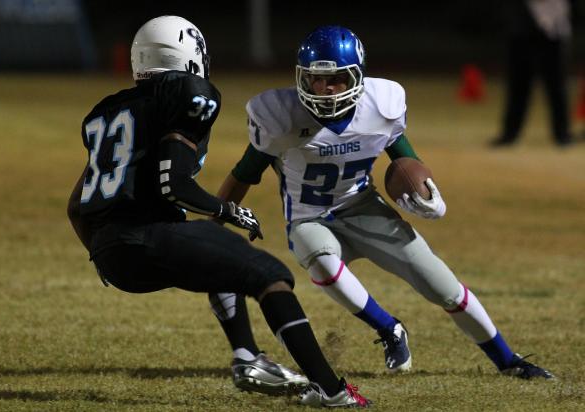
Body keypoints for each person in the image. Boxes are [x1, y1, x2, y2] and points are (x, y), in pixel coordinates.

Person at [215, 25, 555, 380]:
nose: (325, 88)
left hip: (363, 207)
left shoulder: (380, 106)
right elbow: (243, 174)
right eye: (316, 79)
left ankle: (508, 360)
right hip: (309, 218)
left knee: (443, 286)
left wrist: (428, 195)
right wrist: (214, 226)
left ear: (357, 78)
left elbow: (404, 158)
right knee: (322, 264)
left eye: (336, 79)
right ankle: (389, 328)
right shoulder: (280, 118)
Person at [66, 16, 370, 408]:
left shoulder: (106, 110)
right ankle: (333, 391)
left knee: (220, 254)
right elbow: (172, 184)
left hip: (109, 250)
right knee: (271, 276)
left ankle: (248, 356)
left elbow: (77, 207)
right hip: (147, 235)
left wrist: (105, 253)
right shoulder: (186, 91)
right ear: (190, 56)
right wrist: (227, 209)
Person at [491, 0, 574, 147]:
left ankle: (562, 133)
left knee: (556, 85)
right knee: (518, 84)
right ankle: (510, 133)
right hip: (523, 24)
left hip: (552, 25)